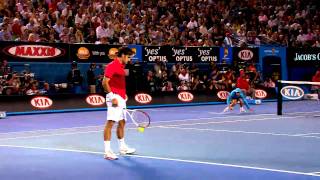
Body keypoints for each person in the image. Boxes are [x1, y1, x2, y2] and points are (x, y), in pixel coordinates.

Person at [102, 47, 135, 160]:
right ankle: (107, 152)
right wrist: (112, 97)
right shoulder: (112, 65)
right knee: (110, 123)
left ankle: (122, 148)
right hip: (114, 97)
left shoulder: (121, 66)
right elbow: (104, 82)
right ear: (123, 55)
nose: (129, 59)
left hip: (120, 97)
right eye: (129, 57)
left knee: (122, 122)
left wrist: (123, 94)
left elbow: (118, 82)